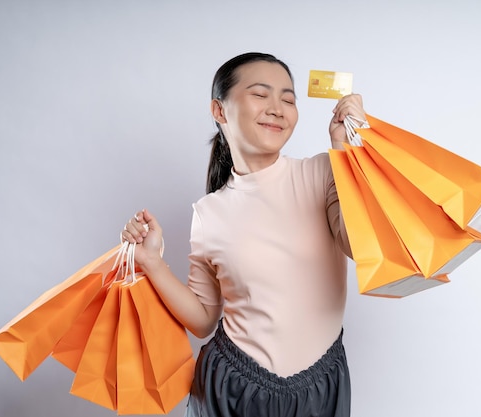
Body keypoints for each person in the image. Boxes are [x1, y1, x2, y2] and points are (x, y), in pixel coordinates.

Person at [120, 52, 366, 417]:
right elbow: (204, 319)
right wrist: (152, 263)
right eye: (260, 94)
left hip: (321, 387)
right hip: (233, 387)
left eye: (288, 98)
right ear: (219, 111)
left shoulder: (325, 172)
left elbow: (358, 244)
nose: (278, 108)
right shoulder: (208, 214)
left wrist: (347, 150)